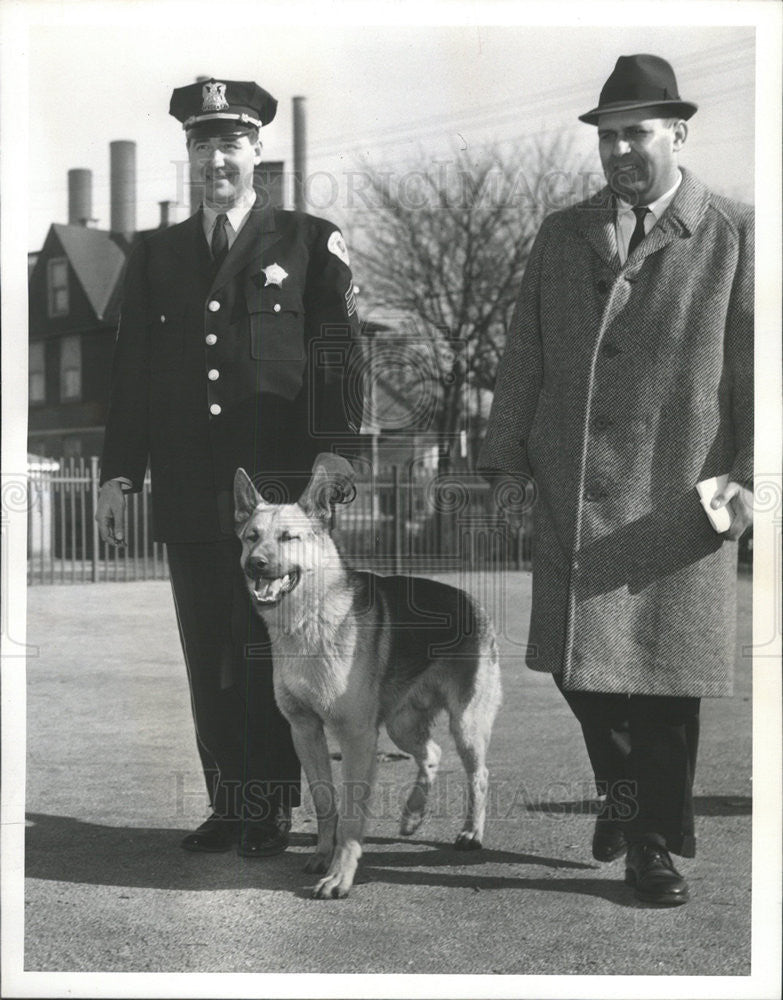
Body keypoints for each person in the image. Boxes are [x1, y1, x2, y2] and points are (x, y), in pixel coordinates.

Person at [479, 54, 753, 906]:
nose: (620, 150)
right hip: (571, 486)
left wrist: (751, 477)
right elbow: (523, 350)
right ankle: (628, 804)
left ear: (678, 133)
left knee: (660, 680)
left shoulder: (736, 232)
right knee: (579, 666)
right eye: (607, 136)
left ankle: (649, 848)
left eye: (637, 132)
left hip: (678, 490)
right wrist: (504, 459)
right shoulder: (562, 232)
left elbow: (760, 373)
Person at [96, 77, 363, 858]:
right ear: (188, 155)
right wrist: (119, 475)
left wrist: (336, 449)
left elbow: (336, 355)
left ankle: (274, 807)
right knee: (209, 650)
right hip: (187, 486)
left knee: (272, 653)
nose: (217, 157)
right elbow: (132, 374)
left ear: (257, 152)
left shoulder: (307, 242)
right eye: (202, 143)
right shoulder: (154, 255)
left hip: (278, 498)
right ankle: (231, 804)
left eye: (231, 143)